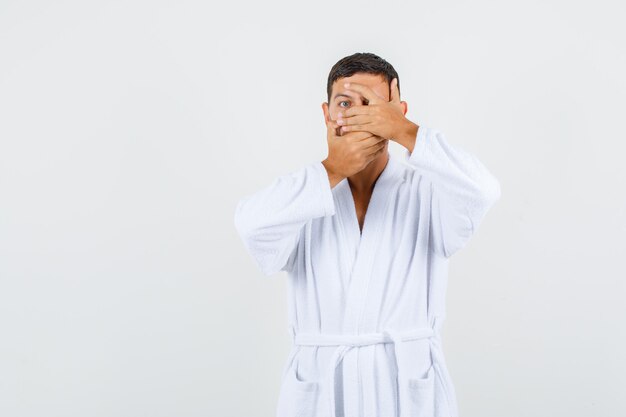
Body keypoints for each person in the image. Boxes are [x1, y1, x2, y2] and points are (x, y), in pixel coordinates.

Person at [233, 52, 501, 417]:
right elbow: (251, 225)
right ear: (327, 114)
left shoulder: (428, 192)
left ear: (398, 112)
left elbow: (483, 191)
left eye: (374, 106)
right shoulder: (303, 197)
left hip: (404, 390)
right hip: (322, 391)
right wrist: (331, 170)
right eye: (346, 104)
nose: (361, 117)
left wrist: (406, 133)